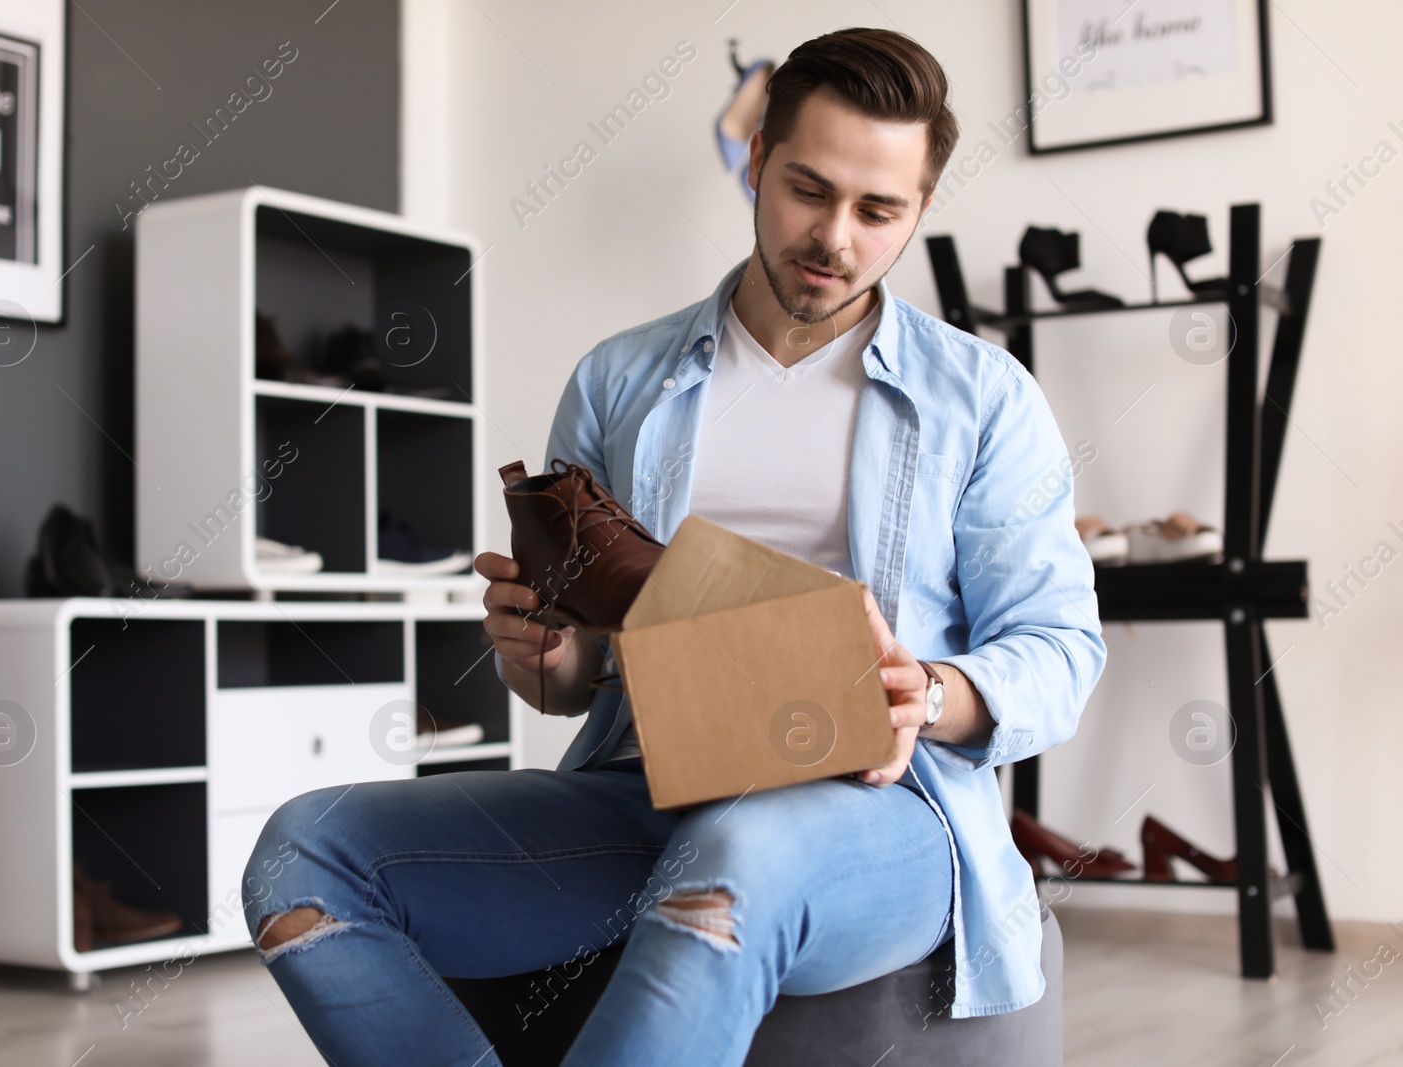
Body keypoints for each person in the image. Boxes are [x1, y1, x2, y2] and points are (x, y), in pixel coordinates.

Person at [242, 26, 1106, 1066]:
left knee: (733, 852)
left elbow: (1059, 650)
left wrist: (924, 688)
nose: (834, 235)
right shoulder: (619, 380)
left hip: (881, 808)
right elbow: (575, 682)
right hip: (643, 789)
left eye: (878, 210)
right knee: (302, 853)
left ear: (917, 210)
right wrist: (547, 654)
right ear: (755, 164)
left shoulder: (984, 399)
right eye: (807, 189)